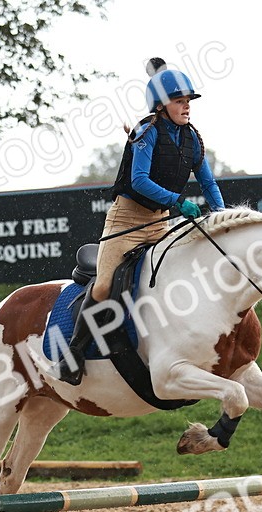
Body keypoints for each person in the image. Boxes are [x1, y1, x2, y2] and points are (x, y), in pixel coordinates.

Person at [56, 57, 226, 386]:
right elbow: (139, 181)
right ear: (161, 106)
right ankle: (73, 353)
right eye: (179, 101)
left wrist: (219, 214)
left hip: (160, 221)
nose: (186, 107)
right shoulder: (147, 131)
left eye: (188, 101)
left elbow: (208, 183)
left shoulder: (193, 140)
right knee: (104, 286)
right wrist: (179, 201)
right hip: (126, 219)